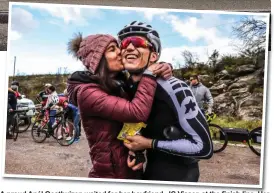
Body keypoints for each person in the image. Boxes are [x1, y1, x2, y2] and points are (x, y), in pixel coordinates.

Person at [116, 21, 213, 182]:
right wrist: (137, 151)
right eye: (125, 43)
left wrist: (148, 143)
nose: (130, 48)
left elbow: (203, 147)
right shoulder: (128, 87)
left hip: (180, 175)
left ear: (153, 56)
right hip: (151, 170)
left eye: (138, 42)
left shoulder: (174, 87)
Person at [66, 33, 172, 179]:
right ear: (97, 59)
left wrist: (164, 66)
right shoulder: (88, 93)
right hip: (111, 174)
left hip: (127, 168)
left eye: (118, 47)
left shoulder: (118, 83)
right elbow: (136, 112)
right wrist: (150, 74)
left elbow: (130, 125)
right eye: (112, 49)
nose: (120, 52)